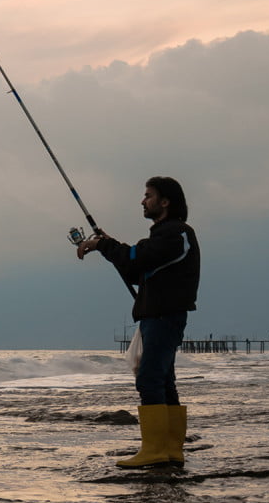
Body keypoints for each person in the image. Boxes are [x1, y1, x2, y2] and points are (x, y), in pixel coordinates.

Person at [76, 176, 200, 467]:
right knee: (163, 380)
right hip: (158, 316)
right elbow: (135, 269)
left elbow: (136, 258)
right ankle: (169, 451)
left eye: (148, 196)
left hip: (163, 317)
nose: (143, 201)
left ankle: (156, 451)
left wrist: (103, 245)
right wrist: (107, 247)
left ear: (165, 201)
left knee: (149, 379)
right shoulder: (164, 235)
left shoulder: (175, 234)